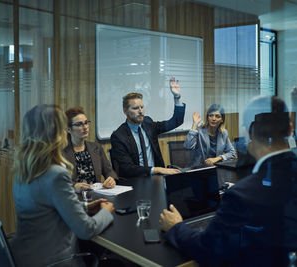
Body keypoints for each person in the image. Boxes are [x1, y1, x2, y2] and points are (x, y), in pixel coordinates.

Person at [159, 96, 297, 266]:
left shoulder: (242, 194)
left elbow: (208, 250)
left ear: (250, 133)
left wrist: (176, 227)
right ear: (290, 129)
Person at [11, 104, 114, 267]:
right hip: (56, 260)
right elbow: (86, 230)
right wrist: (106, 212)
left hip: (24, 256)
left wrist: (85, 205)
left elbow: (46, 207)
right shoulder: (56, 174)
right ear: (58, 133)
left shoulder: (23, 170)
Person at [110, 77, 185, 178]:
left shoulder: (148, 124)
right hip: (136, 181)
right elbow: (127, 168)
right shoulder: (119, 136)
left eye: (142, 107)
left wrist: (177, 98)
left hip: (157, 179)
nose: (141, 111)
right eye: (136, 108)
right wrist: (156, 169)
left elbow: (176, 121)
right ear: (125, 111)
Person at [62, 106, 117, 191]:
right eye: (79, 124)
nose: (85, 127)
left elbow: (109, 171)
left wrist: (111, 179)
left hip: (97, 195)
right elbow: (58, 182)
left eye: (86, 122)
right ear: (69, 129)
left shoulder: (96, 147)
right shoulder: (61, 152)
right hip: (74, 197)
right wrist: (74, 187)